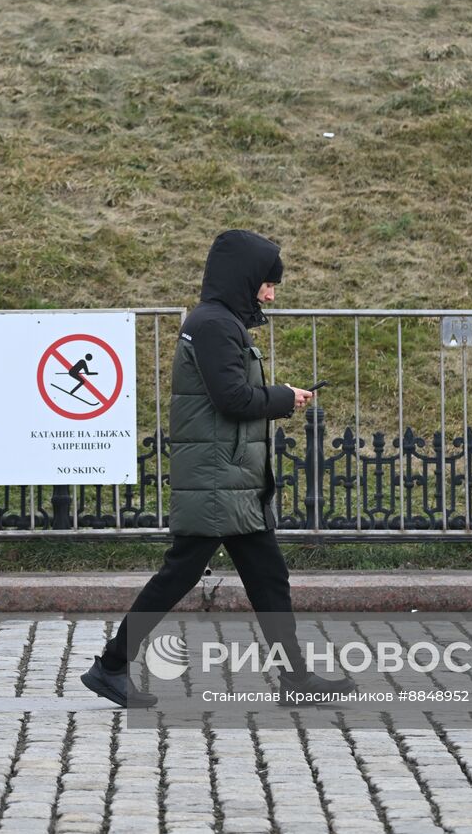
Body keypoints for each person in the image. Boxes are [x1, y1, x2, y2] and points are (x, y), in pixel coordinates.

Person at [79, 229, 358, 708]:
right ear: (244, 278)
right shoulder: (212, 325)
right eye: (266, 283)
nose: (270, 293)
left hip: (232, 481)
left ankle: (296, 680)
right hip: (217, 480)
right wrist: (284, 399)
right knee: (178, 576)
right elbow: (231, 398)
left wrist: (278, 396)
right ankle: (110, 666)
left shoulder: (221, 322)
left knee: (269, 578)